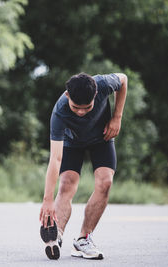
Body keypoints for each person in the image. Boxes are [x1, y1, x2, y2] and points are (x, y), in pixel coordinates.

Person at [39, 72, 128, 260]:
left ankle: (84, 239)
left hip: (102, 138)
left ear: (96, 95)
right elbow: (55, 159)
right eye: (76, 108)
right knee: (66, 184)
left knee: (105, 183)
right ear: (67, 96)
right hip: (73, 143)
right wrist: (47, 199)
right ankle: (57, 235)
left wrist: (117, 117)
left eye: (87, 108)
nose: (81, 112)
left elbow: (123, 79)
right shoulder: (59, 112)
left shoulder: (103, 84)